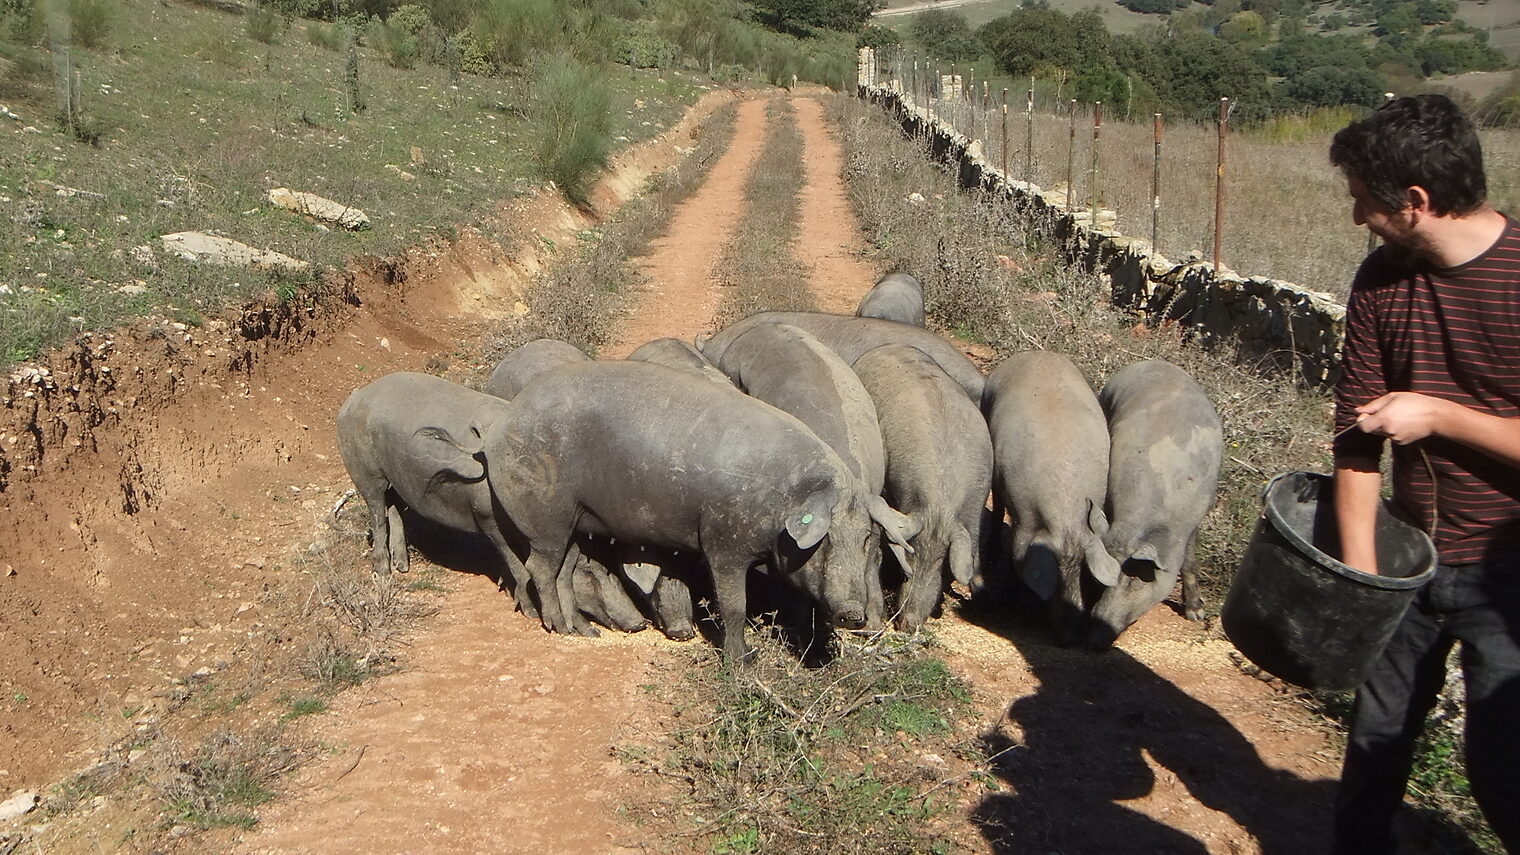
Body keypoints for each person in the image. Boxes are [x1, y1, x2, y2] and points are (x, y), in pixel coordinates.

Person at [1330, 93, 1520, 854]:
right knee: (1373, 749)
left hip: (1509, 572)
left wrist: (1438, 415)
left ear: (1416, 201)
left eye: (1365, 202)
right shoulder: (1380, 281)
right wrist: (1362, 584)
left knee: (1503, 767)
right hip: (1408, 562)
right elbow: (1354, 446)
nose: (1358, 219)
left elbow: (1417, 417)